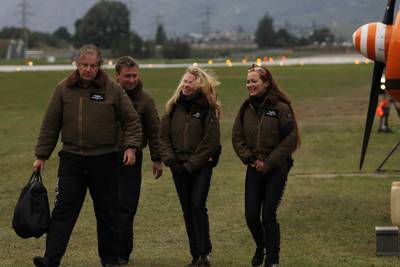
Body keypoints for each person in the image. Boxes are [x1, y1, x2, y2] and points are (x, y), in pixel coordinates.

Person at [32, 44, 142, 267]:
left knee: (107, 212)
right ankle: (51, 259)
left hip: (105, 159)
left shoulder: (113, 89)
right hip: (72, 160)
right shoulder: (63, 89)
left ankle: (110, 260)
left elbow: (132, 121)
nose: (88, 69)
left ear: (99, 66)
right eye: (84, 65)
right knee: (63, 210)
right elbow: (50, 125)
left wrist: (130, 147)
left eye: (93, 65)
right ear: (77, 64)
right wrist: (41, 155)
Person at [232, 64, 300, 267]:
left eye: (254, 81)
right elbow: (237, 138)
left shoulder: (280, 107)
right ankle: (260, 246)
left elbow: (290, 138)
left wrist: (269, 163)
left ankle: (272, 260)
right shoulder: (245, 108)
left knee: (268, 215)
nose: (250, 85)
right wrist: (251, 160)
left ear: (266, 83)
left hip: (276, 168)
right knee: (251, 216)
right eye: (248, 81)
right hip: (254, 167)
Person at [159, 66, 221, 267]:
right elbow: (163, 137)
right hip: (178, 167)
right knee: (187, 209)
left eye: (190, 82)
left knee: (197, 205)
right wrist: (171, 161)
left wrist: (192, 165)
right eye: (184, 81)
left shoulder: (207, 109)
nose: (186, 85)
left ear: (199, 84)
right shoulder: (173, 107)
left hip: (201, 166)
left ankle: (205, 254)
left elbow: (210, 142)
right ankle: (195, 255)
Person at [114, 56, 163, 265]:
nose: (132, 80)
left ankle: (123, 253)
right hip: (106, 158)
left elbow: (154, 131)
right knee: (108, 207)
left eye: (135, 75)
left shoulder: (145, 100)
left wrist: (157, 159)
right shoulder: (107, 96)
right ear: (117, 76)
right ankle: (108, 251)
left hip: (132, 159)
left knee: (126, 206)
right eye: (127, 76)